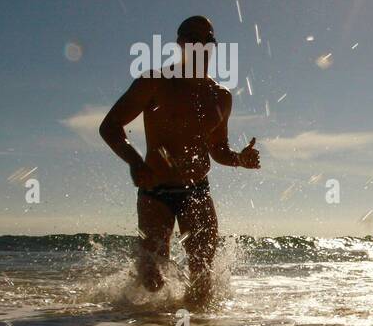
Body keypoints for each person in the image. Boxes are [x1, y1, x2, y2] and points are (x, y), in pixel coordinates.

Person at [99, 16, 260, 305]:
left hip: (197, 192)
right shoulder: (154, 81)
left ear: (212, 46)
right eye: (191, 39)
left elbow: (218, 150)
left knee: (202, 278)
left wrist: (240, 160)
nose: (198, 45)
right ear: (180, 44)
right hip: (155, 193)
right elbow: (110, 126)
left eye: (205, 40)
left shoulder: (220, 96)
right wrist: (135, 162)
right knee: (152, 280)